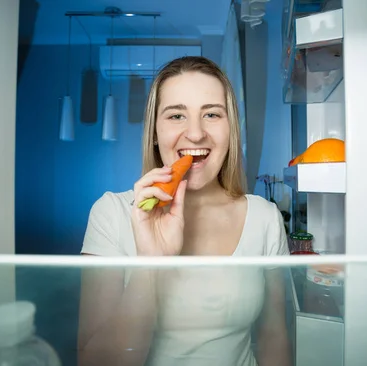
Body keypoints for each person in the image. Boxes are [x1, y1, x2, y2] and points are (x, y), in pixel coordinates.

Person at [77, 56, 291, 366]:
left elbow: (274, 338)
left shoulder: (265, 217)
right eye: (176, 115)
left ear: (231, 130)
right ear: (154, 131)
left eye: (212, 114)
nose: (195, 133)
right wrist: (151, 263)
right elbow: (94, 362)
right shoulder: (110, 213)